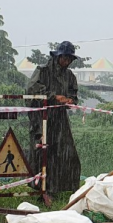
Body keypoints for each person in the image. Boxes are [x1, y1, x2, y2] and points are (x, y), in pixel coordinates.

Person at [26, 41, 82, 197]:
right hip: (41, 118)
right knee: (43, 152)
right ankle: (43, 188)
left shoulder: (69, 76)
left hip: (60, 118)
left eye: (70, 59)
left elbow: (73, 94)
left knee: (66, 152)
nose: (67, 61)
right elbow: (32, 90)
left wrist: (70, 100)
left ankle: (64, 187)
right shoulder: (42, 71)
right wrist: (53, 97)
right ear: (59, 56)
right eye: (65, 57)